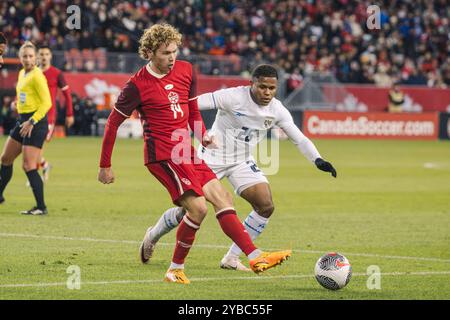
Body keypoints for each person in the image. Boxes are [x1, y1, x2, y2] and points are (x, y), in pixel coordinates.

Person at [97, 24, 291, 284]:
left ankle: (256, 257)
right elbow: (112, 123)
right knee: (199, 209)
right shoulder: (137, 85)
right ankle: (175, 270)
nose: (172, 58)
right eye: (166, 53)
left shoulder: (186, 70)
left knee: (223, 199)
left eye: (175, 51)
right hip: (162, 155)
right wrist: (105, 165)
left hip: (185, 150)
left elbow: (192, 110)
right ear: (150, 52)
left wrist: (203, 136)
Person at [140, 64, 337, 271]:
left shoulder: (277, 109)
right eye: (262, 87)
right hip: (210, 160)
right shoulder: (232, 97)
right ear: (252, 84)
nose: (267, 93)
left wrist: (318, 160)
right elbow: (192, 104)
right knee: (188, 211)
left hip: (241, 161)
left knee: (265, 205)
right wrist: (200, 132)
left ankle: (232, 258)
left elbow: (299, 138)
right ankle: (152, 235)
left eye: (272, 88)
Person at [0, 41, 51, 214]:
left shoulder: (38, 76)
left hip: (35, 123)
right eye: (25, 56)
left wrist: (32, 121)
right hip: (22, 121)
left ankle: (41, 207)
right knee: (5, 158)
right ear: (20, 58)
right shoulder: (22, 73)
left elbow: (47, 103)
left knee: (29, 165)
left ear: (35, 58)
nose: (28, 59)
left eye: (30, 56)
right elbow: (24, 96)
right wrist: (17, 104)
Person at [36, 46, 74, 180]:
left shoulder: (57, 73)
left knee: (37, 147)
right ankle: (44, 166)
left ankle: (35, 175)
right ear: (37, 56)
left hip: (48, 117)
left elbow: (67, 95)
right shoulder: (34, 73)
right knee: (32, 148)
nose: (44, 56)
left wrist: (70, 114)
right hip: (33, 115)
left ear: (50, 56)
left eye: (46, 54)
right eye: (41, 54)